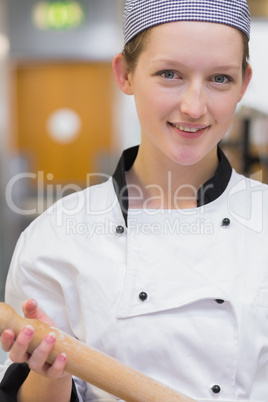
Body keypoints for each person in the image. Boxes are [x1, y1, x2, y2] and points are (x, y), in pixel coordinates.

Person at [0, 0, 267, 401]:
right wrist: (50, 373)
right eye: (169, 74)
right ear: (125, 74)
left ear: (244, 83)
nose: (194, 107)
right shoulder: (55, 239)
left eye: (219, 79)